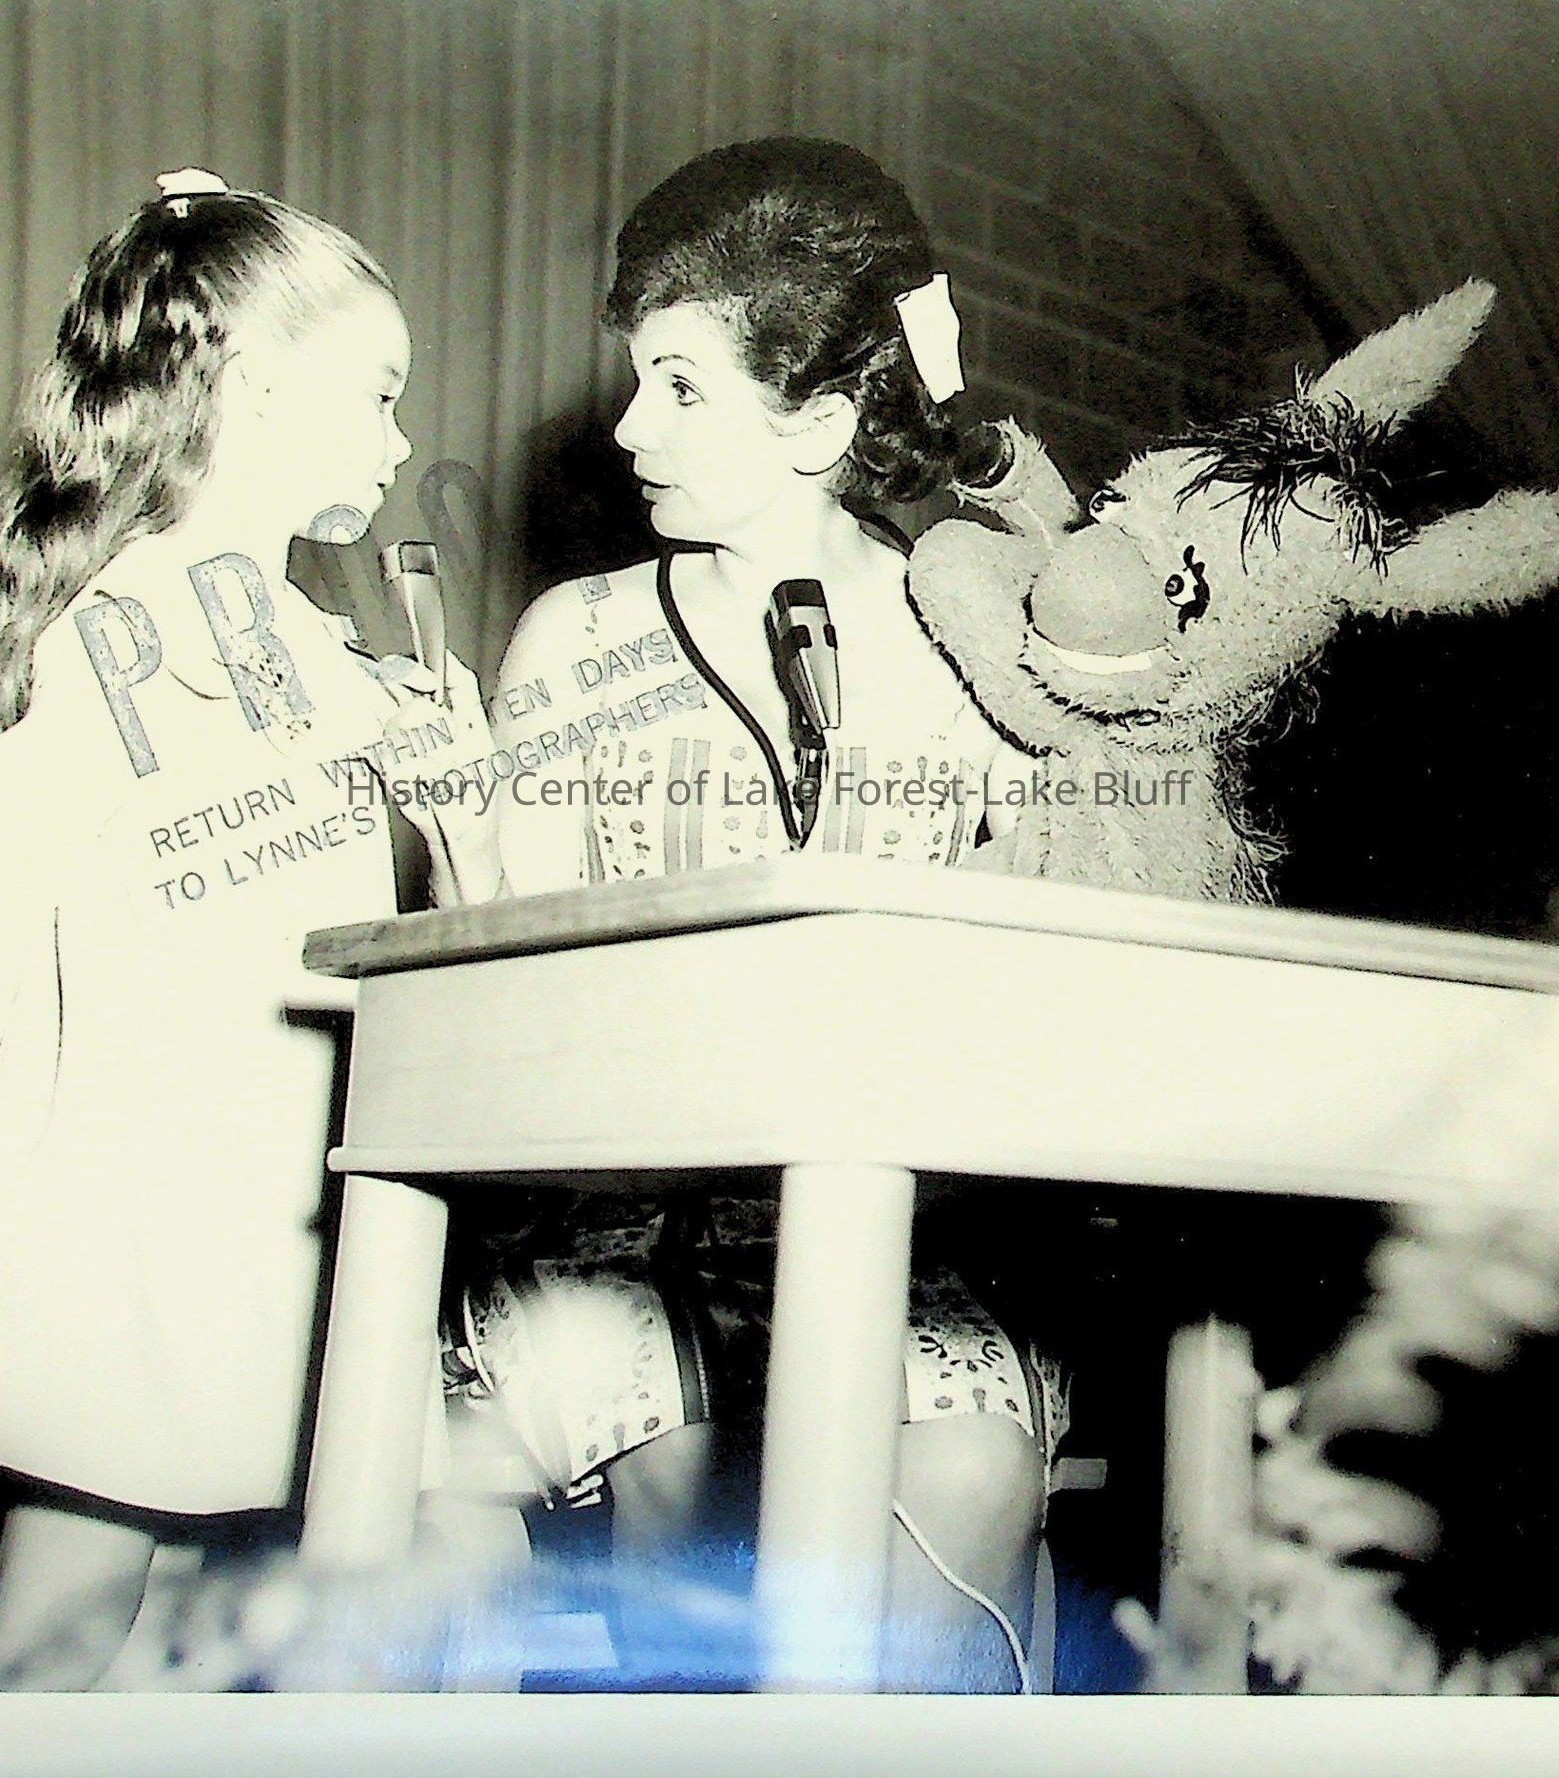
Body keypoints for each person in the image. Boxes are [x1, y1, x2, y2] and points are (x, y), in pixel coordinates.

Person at [0, 173, 477, 1689]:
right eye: (377, 395)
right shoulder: (132, 622)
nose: (399, 441)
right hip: (137, 1181)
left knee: (164, 1621)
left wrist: (435, 785)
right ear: (252, 385)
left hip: (256, 1173)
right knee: (66, 1614)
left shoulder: (310, 645)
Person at [401, 137, 1064, 1691]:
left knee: (965, 1460)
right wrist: (463, 853)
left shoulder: (968, 640)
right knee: (674, 1445)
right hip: (611, 1224)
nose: (631, 426)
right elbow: (497, 1006)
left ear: (820, 421)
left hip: (891, 1226)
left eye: (682, 387)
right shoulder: (576, 639)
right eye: (639, 377)